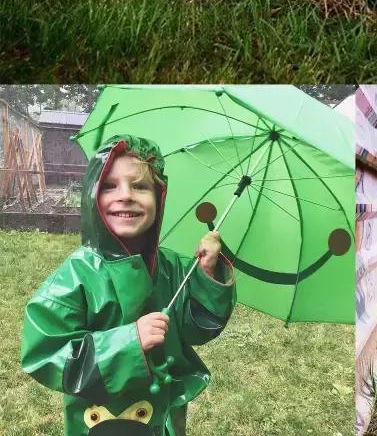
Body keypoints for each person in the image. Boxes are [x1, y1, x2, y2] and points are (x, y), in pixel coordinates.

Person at [21, 135, 236, 436]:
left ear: (159, 197)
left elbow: (197, 329)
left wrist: (206, 274)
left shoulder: (173, 268)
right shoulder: (77, 275)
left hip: (160, 414)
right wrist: (129, 342)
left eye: (140, 186)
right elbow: (45, 353)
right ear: (92, 196)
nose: (126, 195)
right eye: (110, 185)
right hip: (99, 418)